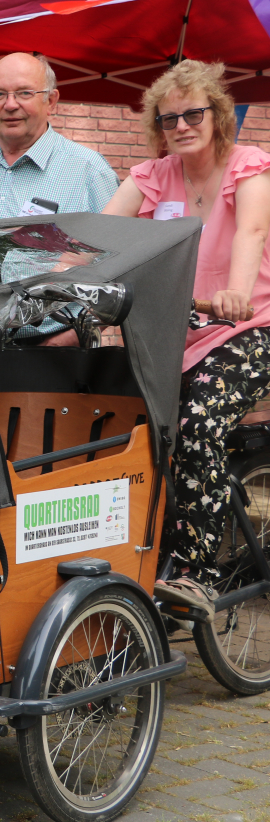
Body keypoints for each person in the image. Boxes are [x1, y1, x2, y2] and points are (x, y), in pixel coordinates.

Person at [102, 60, 270, 619]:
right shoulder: (151, 176)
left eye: (193, 112)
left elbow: (250, 230)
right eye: (168, 117)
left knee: (199, 421)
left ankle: (199, 571)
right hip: (177, 328)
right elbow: (99, 236)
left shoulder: (248, 166)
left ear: (217, 114)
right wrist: (55, 276)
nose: (181, 124)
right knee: (109, 419)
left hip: (251, 326)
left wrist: (237, 292)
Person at [0, 53, 118, 224]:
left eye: (24, 93)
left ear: (50, 101)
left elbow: (118, 246)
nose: (10, 104)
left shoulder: (90, 172)